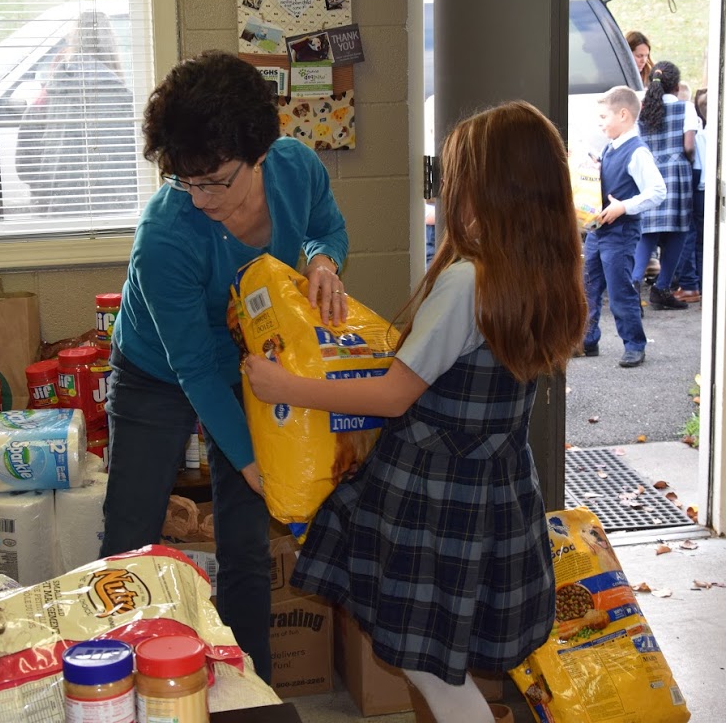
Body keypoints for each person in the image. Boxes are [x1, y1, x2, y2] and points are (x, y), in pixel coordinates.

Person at [244, 100, 587, 723]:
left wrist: (284, 387)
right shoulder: (540, 273)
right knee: (440, 653)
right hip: (495, 487)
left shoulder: (467, 282)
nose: (447, 189)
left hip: (435, 495)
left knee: (429, 663)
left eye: (455, 177)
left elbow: (390, 396)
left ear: (488, 191)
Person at [98, 50, 349, 684]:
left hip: (248, 365)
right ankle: (108, 687)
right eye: (187, 180)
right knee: (130, 534)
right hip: (159, 369)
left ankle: (249, 693)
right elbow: (195, 368)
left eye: (217, 180)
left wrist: (322, 260)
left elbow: (326, 226)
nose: (203, 197)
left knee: (244, 545)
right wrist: (249, 461)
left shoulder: (296, 168)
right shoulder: (166, 234)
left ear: (259, 151)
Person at [16, 11, 136, 216]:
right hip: (116, 216)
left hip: (58, 215)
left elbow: (24, 164)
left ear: (73, 41)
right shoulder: (125, 101)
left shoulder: (48, 97)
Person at [581, 86, 667, 367]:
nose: (601, 122)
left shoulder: (637, 151)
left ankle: (634, 344)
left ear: (623, 114)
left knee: (619, 291)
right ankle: (587, 340)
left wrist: (624, 206)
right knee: (588, 286)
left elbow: (657, 191)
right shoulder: (611, 146)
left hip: (620, 233)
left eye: (604, 116)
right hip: (597, 231)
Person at [632, 60, 698, 311]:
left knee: (647, 233)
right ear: (676, 85)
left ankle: (634, 285)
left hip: (649, 175)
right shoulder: (685, 108)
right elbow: (689, 146)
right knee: (678, 231)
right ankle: (662, 289)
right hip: (676, 175)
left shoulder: (643, 111)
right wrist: (686, 160)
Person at [673, 87, 708, 303]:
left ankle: (690, 283)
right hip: (703, 187)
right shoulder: (706, 132)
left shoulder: (701, 135)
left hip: (696, 186)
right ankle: (701, 283)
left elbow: (692, 155)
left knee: (690, 235)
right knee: (701, 240)